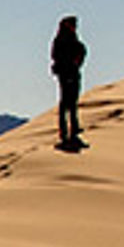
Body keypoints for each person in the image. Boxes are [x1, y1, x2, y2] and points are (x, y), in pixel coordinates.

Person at [51, 15, 86, 149]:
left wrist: (77, 62)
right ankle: (66, 134)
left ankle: (72, 132)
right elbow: (56, 56)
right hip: (66, 74)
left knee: (71, 103)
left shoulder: (70, 39)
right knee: (67, 103)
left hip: (71, 73)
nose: (74, 27)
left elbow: (81, 51)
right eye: (72, 24)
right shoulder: (62, 40)